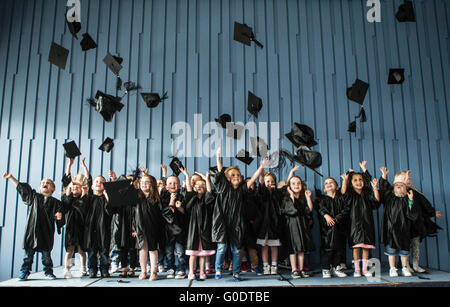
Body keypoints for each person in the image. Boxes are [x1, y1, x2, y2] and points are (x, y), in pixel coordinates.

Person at [212, 147, 268, 281]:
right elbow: (220, 170)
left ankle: (236, 272)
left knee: (236, 249)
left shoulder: (242, 189)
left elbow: (253, 178)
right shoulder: (223, 187)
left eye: (238, 175)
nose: (236, 176)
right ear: (227, 178)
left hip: (237, 223)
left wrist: (261, 167)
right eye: (233, 175)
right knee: (222, 247)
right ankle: (218, 269)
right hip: (222, 222)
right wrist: (218, 157)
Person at [3, 173, 63, 281]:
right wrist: (11, 177)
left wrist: (59, 217)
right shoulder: (34, 197)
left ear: (53, 188)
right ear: (40, 187)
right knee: (28, 255)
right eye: (43, 183)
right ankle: (24, 272)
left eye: (48, 183)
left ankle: (48, 272)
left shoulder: (56, 203)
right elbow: (22, 189)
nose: (45, 184)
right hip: (32, 230)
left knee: (46, 256)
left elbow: (60, 215)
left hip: (46, 231)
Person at [396, 170, 444, 273]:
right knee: (405, 246)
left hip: (416, 224)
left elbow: (424, 204)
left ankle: (416, 265)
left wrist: (432, 212)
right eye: (405, 178)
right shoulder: (398, 194)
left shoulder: (416, 193)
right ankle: (405, 265)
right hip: (404, 225)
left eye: (409, 178)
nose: (408, 180)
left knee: (416, 245)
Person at [341, 163, 380, 278]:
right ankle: (357, 270)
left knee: (366, 247)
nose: (359, 182)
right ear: (351, 183)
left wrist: (375, 188)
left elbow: (377, 200)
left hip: (367, 224)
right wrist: (345, 180)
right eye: (355, 180)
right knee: (356, 247)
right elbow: (343, 193)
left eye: (360, 179)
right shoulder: (350, 195)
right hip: (354, 225)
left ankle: (364, 269)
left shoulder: (367, 194)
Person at [379, 167, 418, 277]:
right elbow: (383, 188)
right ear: (393, 188)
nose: (399, 187)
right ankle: (392, 268)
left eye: (402, 186)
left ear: (406, 189)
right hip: (391, 229)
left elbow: (412, 213)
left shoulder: (407, 198)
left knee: (404, 250)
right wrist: (384, 176)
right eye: (397, 186)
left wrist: (410, 201)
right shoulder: (389, 197)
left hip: (404, 229)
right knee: (391, 250)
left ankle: (405, 268)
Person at [133, 174, 171, 281]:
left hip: (153, 227)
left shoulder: (156, 199)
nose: (144, 184)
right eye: (142, 182)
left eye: (147, 182)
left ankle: (154, 272)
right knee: (142, 250)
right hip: (140, 227)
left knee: (153, 249)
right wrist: (133, 228)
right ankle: (143, 271)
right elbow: (133, 215)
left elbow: (161, 214)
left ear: (152, 184)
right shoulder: (137, 198)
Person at [184, 170, 216, 280]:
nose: (199, 186)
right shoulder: (192, 199)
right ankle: (191, 272)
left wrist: (206, 179)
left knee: (203, 254)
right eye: (197, 185)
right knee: (193, 254)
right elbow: (188, 188)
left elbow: (210, 191)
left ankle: (202, 272)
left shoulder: (206, 200)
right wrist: (187, 176)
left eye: (202, 185)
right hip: (193, 231)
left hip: (204, 230)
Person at [281, 176, 315, 279]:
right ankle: (294, 269)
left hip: (302, 225)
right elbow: (291, 210)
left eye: (298, 183)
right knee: (293, 248)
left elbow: (309, 210)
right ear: (289, 187)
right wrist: (291, 195)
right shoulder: (287, 198)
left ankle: (301, 269)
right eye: (293, 183)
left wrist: (308, 197)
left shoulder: (302, 198)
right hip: (292, 226)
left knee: (301, 248)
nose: (296, 185)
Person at [316, 177, 349, 278]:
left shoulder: (341, 198)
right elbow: (320, 209)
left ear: (337, 187)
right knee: (327, 249)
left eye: (331, 182)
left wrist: (337, 218)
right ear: (324, 189)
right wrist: (326, 216)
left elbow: (346, 209)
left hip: (340, 228)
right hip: (327, 230)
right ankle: (326, 269)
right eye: (326, 183)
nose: (329, 184)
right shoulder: (322, 200)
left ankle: (337, 267)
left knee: (339, 248)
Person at [84, 176, 113, 278]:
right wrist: (84, 193)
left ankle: (104, 269)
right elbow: (82, 209)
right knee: (92, 251)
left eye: (101, 182)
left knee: (104, 250)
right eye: (96, 181)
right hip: (91, 229)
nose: (98, 183)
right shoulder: (89, 198)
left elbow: (110, 212)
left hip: (104, 228)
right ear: (92, 186)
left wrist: (107, 197)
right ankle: (92, 269)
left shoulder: (106, 199)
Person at [160, 175, 188, 279]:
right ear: (166, 186)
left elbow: (186, 212)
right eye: (170, 183)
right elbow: (166, 213)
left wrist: (179, 207)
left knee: (180, 252)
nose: (173, 185)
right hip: (167, 230)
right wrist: (172, 200)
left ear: (179, 186)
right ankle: (170, 268)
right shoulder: (163, 198)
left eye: (175, 183)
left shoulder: (182, 196)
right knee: (169, 252)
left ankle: (181, 269)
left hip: (179, 229)